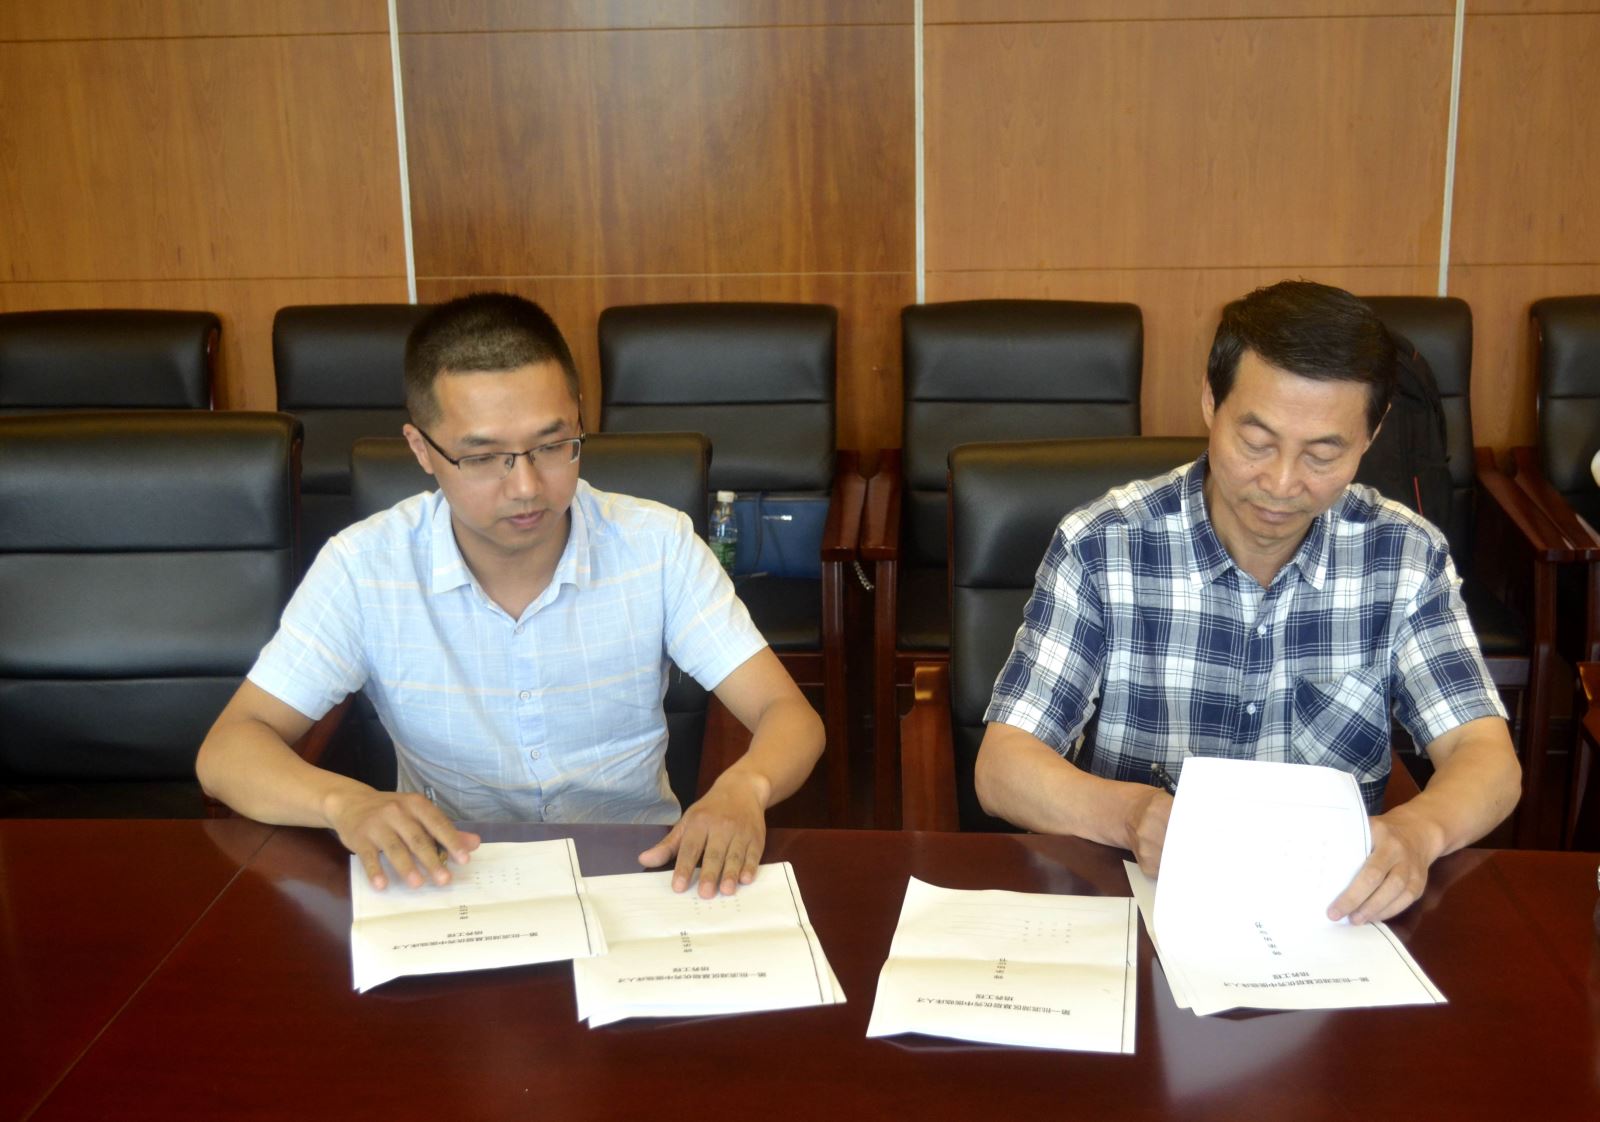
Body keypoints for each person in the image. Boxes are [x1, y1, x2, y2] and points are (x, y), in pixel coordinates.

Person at [198, 293, 824, 898]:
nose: (526, 486)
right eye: (484, 457)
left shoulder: (656, 546)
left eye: (552, 446)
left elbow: (788, 713)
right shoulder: (365, 567)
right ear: (421, 449)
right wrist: (345, 803)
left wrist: (746, 785)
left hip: (635, 874)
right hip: (452, 880)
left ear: (580, 418)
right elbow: (229, 749)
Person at [974, 280, 1521, 925]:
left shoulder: (1403, 555)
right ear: (1211, 402)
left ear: (1370, 436)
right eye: (1257, 443)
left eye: (1323, 453)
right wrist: (1129, 815)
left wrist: (1418, 832)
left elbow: (1485, 756)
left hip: (1328, 918)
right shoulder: (1105, 545)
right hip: (1141, 903)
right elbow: (1003, 766)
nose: (1282, 484)